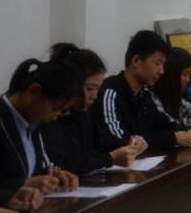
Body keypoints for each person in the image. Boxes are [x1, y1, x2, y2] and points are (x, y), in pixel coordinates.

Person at [0, 59, 81, 211]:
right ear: (34, 91)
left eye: (61, 111)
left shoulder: (33, 123)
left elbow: (28, 170)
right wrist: (21, 185)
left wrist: (52, 175)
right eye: (54, 108)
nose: (55, 117)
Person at [42, 44, 146, 175]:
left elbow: (102, 141)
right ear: (72, 85)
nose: (95, 96)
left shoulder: (84, 114)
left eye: (98, 88)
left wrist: (129, 143)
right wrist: (110, 159)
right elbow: (60, 165)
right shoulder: (51, 118)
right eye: (90, 88)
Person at [93, 30, 191, 152]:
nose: (162, 71)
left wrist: (186, 132)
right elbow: (120, 142)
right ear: (136, 61)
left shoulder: (144, 94)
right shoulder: (110, 93)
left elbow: (166, 123)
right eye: (158, 63)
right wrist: (173, 138)